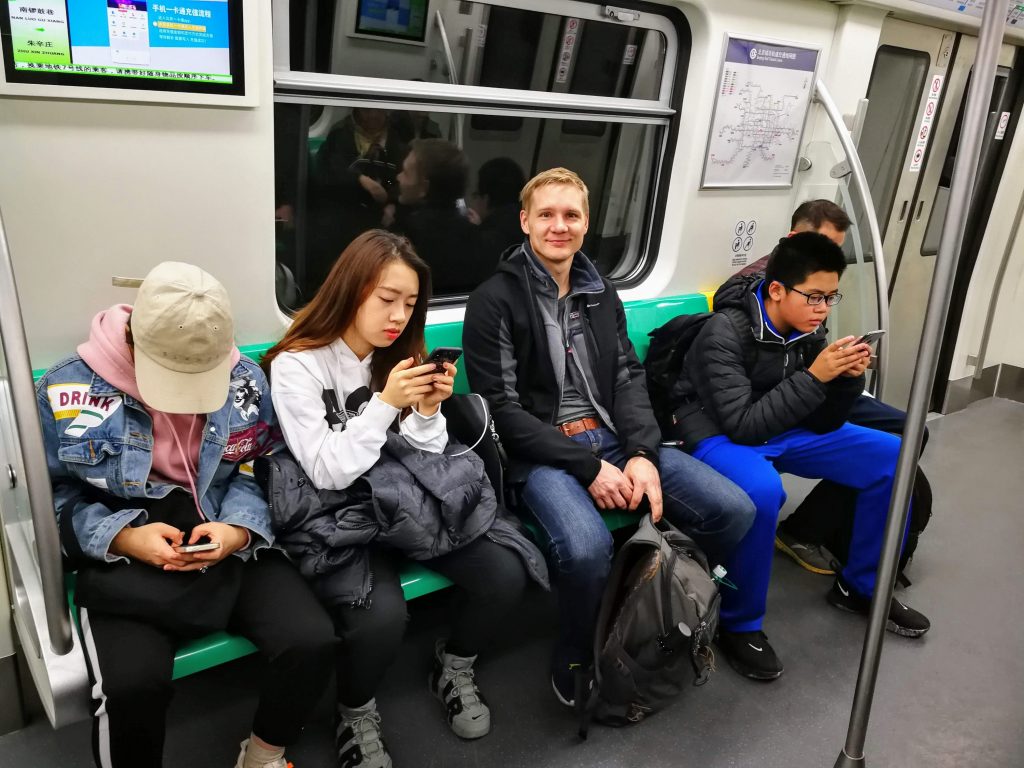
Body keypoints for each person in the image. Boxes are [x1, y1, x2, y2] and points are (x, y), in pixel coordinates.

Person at [462, 168, 755, 705]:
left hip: (616, 438)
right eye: (546, 215)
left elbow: (626, 379)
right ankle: (579, 648)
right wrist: (589, 467)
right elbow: (501, 411)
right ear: (525, 221)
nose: (559, 226)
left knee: (732, 509)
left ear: (586, 223)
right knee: (586, 547)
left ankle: (652, 605)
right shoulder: (494, 300)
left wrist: (641, 453)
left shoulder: (601, 293)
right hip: (542, 452)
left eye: (570, 215)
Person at [262, 230, 545, 768]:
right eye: (386, 299)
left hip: (405, 500)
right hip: (340, 511)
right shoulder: (298, 364)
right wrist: (386, 404)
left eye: (410, 304)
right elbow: (326, 471)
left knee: (506, 573)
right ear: (350, 291)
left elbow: (427, 453)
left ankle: (454, 664)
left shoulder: (398, 353)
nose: (398, 316)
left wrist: (428, 411)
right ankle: (355, 710)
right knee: (380, 619)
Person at [36, 262, 335, 768]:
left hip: (221, 526)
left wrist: (238, 531)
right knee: (133, 688)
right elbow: (54, 498)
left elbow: (260, 463)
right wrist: (123, 537)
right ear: (134, 342)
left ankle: (264, 754)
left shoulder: (243, 380)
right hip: (125, 542)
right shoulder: (67, 391)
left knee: (311, 641)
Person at [670, 232, 930, 682]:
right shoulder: (723, 332)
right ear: (776, 290)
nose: (822, 309)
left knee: (894, 456)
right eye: (814, 297)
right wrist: (815, 376)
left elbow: (824, 422)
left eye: (830, 297)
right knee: (763, 490)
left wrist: (845, 379)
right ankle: (739, 624)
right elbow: (743, 425)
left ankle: (862, 586)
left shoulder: (809, 333)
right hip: (717, 432)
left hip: (781, 423)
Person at [741, 200, 931, 576]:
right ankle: (805, 530)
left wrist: (845, 370)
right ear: (794, 237)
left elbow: (811, 347)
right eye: (824, 243)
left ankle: (837, 534)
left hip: (812, 381)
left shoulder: (819, 285)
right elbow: (764, 373)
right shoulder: (756, 286)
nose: (830, 256)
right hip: (787, 392)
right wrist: (818, 374)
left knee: (911, 433)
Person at [391, 138, 494, 294]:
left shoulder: (408, 236)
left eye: (405, 173)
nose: (399, 178)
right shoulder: (476, 235)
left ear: (424, 187)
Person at [469, 157, 528, 261]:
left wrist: (477, 232)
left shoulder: (485, 242)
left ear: (486, 198)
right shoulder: (531, 229)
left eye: (475, 195)